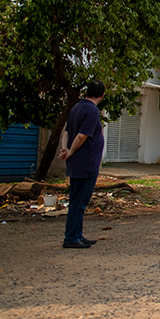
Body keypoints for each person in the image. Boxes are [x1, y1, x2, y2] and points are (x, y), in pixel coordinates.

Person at [58, 80, 106, 248]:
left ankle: (77, 234)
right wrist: (71, 151)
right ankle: (71, 237)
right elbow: (81, 136)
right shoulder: (92, 111)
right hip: (85, 163)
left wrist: (65, 149)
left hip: (78, 162)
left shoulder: (76, 108)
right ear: (102, 95)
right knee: (79, 202)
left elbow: (66, 131)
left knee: (77, 200)